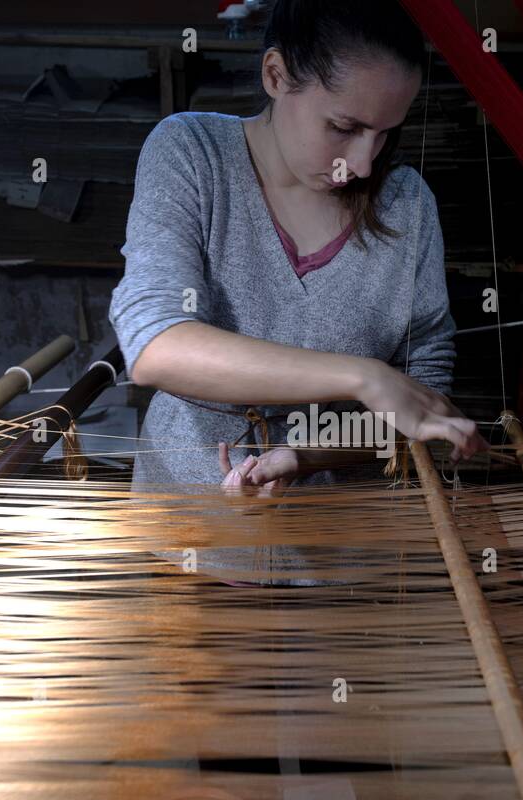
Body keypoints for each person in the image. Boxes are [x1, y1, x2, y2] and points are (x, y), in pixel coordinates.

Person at [109, 0, 487, 582]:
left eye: (385, 134)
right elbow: (157, 345)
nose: (363, 164)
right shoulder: (191, 154)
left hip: (342, 552)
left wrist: (309, 454)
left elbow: (424, 391)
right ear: (275, 76)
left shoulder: (407, 205)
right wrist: (363, 376)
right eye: (344, 127)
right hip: (189, 537)